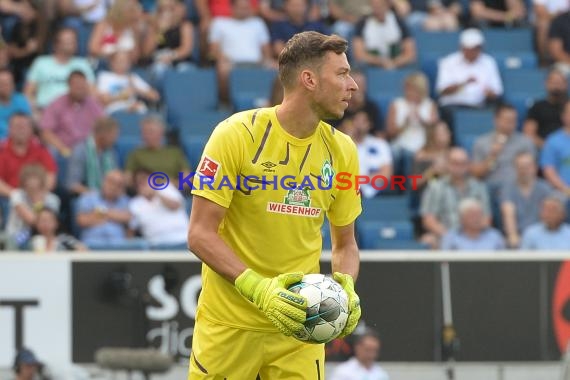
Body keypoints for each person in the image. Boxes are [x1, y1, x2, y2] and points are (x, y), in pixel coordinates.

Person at [186, 31, 362, 379]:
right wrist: (260, 289)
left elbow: (346, 244)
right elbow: (199, 234)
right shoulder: (236, 135)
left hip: (301, 329)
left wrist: (346, 287)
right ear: (309, 79)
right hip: (229, 327)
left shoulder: (343, 151)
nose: (353, 85)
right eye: (341, 74)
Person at [440, 197, 505, 250]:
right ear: (462, 218)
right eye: (472, 215)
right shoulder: (451, 237)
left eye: (479, 214)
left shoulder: (494, 236)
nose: (477, 218)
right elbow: (444, 262)